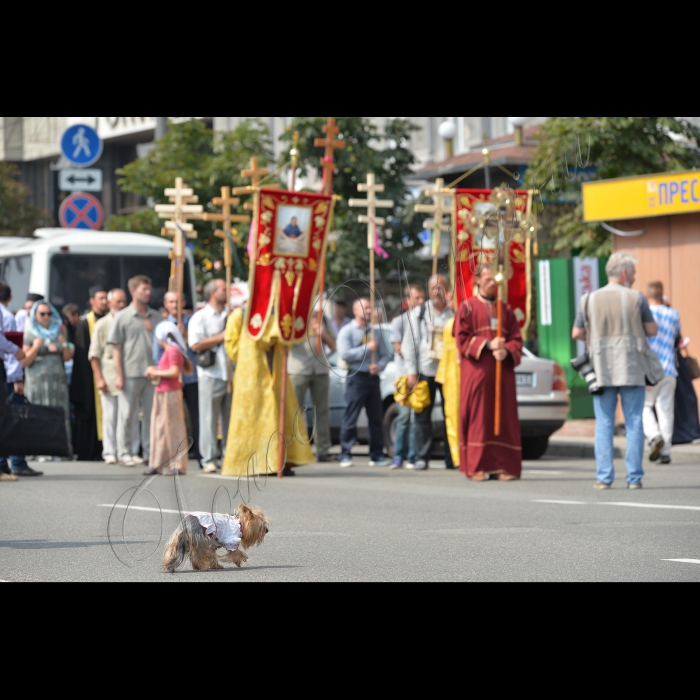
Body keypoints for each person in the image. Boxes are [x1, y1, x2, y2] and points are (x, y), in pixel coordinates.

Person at [573, 253, 661, 490]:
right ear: (624, 273)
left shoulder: (588, 298)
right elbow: (652, 330)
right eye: (632, 272)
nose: (634, 277)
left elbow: (576, 333)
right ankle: (634, 478)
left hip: (601, 368)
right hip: (631, 365)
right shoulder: (636, 298)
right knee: (633, 421)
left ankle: (604, 477)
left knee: (603, 423)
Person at [222, 305, 314, 477]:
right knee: (255, 419)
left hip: (277, 372)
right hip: (252, 375)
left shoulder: (279, 313)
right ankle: (256, 463)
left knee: (280, 416)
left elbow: (290, 340)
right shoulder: (241, 314)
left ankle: (279, 460)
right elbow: (231, 343)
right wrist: (249, 355)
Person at [454, 266, 523, 482]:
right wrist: (487, 344)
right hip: (478, 374)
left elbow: (516, 338)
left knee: (504, 419)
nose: (493, 283)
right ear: (478, 282)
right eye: (488, 279)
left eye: (495, 279)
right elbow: (461, 339)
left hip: (502, 375)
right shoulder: (467, 307)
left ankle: (503, 466)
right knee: (479, 419)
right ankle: (477, 466)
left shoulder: (505, 309)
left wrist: (508, 350)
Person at [108, 276, 162, 468]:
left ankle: (148, 452)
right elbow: (116, 348)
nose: (148, 293)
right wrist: (119, 375)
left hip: (153, 373)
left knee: (150, 416)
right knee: (127, 415)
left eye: (149, 289)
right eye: (144, 289)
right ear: (133, 291)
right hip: (130, 373)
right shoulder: (122, 317)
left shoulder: (156, 316)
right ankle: (125, 452)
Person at [402, 276, 455, 471]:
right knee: (422, 414)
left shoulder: (452, 313)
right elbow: (409, 344)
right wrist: (411, 372)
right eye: (433, 287)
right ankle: (422, 457)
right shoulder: (420, 312)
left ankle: (452, 458)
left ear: (447, 290)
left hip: (448, 371)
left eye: (440, 287)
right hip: (425, 370)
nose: (436, 291)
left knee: (451, 414)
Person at [337, 298, 390, 469]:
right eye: (365, 308)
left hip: (372, 378)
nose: (368, 311)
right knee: (351, 416)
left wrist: (379, 366)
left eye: (370, 308)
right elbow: (345, 354)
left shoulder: (376, 332)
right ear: (355, 310)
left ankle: (377, 454)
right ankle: (345, 453)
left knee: (375, 418)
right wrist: (367, 349)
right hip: (356, 377)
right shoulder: (347, 331)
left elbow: (385, 355)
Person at [22, 301, 75, 460]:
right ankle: (38, 450)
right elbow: (24, 361)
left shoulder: (59, 330)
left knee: (58, 412)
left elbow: (66, 358)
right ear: (35, 315)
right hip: (37, 381)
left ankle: (58, 450)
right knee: (39, 413)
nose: (46, 317)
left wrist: (63, 343)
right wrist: (37, 346)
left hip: (57, 381)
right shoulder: (30, 332)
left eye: (49, 313)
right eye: (42, 314)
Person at [188, 280, 231, 474]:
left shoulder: (231, 315)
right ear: (213, 292)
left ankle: (229, 456)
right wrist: (222, 336)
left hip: (230, 373)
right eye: (223, 289)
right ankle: (209, 458)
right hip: (210, 373)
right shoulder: (201, 317)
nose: (227, 291)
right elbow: (195, 344)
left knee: (230, 418)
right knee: (208, 418)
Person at [154, 291, 201, 465]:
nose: (174, 305)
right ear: (166, 305)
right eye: (171, 302)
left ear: (183, 303)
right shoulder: (163, 326)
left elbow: (196, 348)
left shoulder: (192, 322)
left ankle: (200, 453)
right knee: (172, 418)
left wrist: (186, 336)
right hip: (172, 379)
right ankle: (170, 453)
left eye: (177, 301)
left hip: (191, 376)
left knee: (196, 416)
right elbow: (158, 354)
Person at [288, 306, 337, 464]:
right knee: (295, 411)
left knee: (322, 411)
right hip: (298, 367)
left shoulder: (322, 316)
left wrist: (323, 334)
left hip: (320, 368)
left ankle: (323, 450)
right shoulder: (292, 313)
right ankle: (295, 451)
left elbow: (334, 345)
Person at [0, 282, 37, 479]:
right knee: (10, 419)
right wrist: (17, 377)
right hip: (6, 371)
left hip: (5, 369)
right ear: (10, 297)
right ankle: (14, 463)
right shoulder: (6, 315)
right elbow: (9, 345)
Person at [144, 322, 190, 476]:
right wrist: (155, 370)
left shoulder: (173, 351)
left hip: (170, 393)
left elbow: (174, 371)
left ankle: (178, 464)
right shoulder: (170, 351)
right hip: (163, 392)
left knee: (173, 429)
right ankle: (158, 463)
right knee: (160, 429)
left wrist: (156, 372)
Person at [643, 281, 681, 465]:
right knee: (666, 411)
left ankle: (654, 435)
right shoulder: (673, 314)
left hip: (651, 370)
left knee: (644, 407)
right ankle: (665, 451)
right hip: (669, 370)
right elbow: (677, 338)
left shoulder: (645, 315)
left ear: (647, 294)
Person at [89, 289, 128, 465]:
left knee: (127, 416)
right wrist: (99, 378)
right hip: (109, 375)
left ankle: (125, 451)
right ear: (110, 303)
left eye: (124, 302)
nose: (121, 305)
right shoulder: (102, 324)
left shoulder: (130, 321)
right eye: (118, 302)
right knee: (110, 416)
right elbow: (94, 354)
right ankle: (110, 451)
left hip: (129, 376)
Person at [71, 286, 109, 461]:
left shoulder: (111, 320)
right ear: (92, 301)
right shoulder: (85, 323)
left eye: (105, 298)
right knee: (90, 411)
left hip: (108, 373)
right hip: (89, 377)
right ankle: (89, 451)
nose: (104, 301)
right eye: (100, 298)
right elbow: (81, 356)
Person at [390, 285, 425, 469]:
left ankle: (413, 456)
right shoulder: (399, 321)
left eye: (422, 298)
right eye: (417, 298)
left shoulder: (426, 320)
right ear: (408, 300)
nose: (421, 302)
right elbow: (398, 348)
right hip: (404, 376)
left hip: (422, 375)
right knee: (403, 417)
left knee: (417, 418)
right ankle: (398, 456)